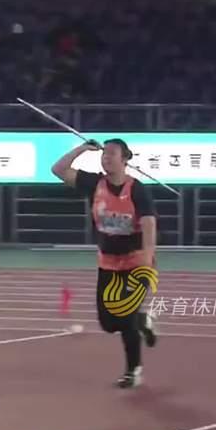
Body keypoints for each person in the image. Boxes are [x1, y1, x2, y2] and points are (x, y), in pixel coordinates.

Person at [52, 138, 158, 389]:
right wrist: (82, 149)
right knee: (108, 323)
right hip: (108, 263)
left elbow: (149, 223)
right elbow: (58, 170)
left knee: (125, 314)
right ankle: (143, 321)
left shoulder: (137, 189)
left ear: (125, 159)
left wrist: (148, 256)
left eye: (112, 154)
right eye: (104, 153)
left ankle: (133, 371)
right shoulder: (94, 184)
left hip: (135, 263)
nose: (106, 157)